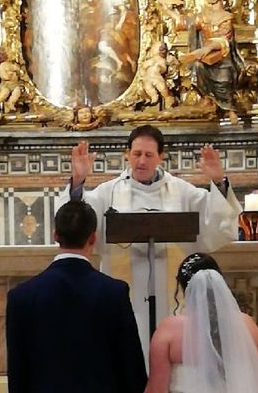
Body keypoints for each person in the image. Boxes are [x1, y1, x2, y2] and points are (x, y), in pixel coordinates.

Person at [55, 124, 242, 356]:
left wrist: (218, 182)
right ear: (127, 154)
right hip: (124, 298)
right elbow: (74, 220)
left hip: (171, 298)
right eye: (136, 154)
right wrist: (78, 182)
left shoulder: (182, 191)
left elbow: (217, 222)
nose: (141, 161)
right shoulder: (109, 192)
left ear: (160, 157)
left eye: (148, 155)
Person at [6, 200, 147, 393]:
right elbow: (131, 367)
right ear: (93, 238)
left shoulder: (21, 296)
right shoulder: (114, 292)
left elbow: (18, 372)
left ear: (55, 235)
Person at [145, 253, 258, 393]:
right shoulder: (247, 325)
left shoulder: (169, 329)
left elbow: (156, 389)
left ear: (183, 288)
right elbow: (257, 380)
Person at [179, 0, 245, 123]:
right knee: (198, 66)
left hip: (222, 53)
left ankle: (229, 107)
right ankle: (208, 98)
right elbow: (187, 24)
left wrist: (208, 48)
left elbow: (224, 37)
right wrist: (172, 13)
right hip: (206, 55)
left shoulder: (227, 17)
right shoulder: (203, 16)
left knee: (225, 75)